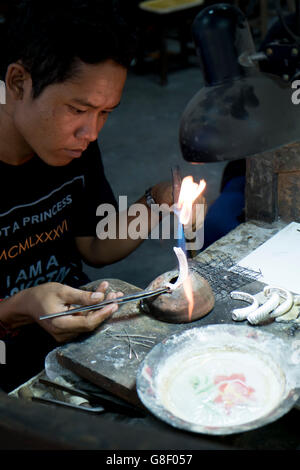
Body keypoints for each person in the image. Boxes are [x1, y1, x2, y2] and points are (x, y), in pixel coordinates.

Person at [0, 0, 187, 391]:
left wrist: (156, 202)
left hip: (66, 340)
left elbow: (94, 245)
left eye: (106, 113)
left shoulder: (73, 145)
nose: (92, 133)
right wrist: (19, 308)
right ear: (18, 83)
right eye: (78, 108)